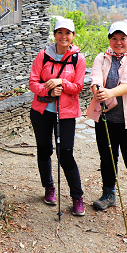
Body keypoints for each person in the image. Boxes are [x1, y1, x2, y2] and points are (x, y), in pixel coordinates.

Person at [86, 21, 127, 228]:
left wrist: (110, 92)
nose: (118, 42)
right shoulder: (101, 57)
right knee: (107, 158)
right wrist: (97, 88)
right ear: (109, 40)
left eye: (122, 38)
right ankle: (108, 194)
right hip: (106, 119)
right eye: (114, 38)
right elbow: (95, 77)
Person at [28, 17, 87, 216]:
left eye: (67, 33)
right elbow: (33, 83)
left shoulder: (78, 59)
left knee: (66, 154)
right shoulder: (43, 55)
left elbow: (78, 87)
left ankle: (77, 197)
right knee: (44, 151)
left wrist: (60, 82)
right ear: (54, 35)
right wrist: (48, 91)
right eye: (60, 32)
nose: (63, 36)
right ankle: (49, 187)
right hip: (41, 112)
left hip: (66, 113)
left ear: (73, 36)